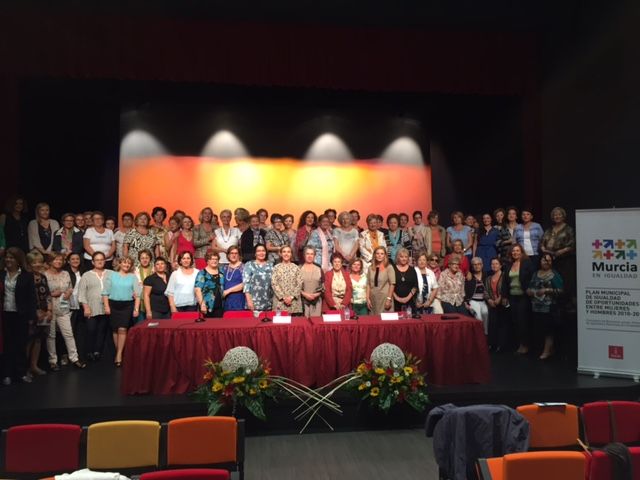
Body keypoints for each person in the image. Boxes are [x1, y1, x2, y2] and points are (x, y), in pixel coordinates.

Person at [1, 248, 38, 385]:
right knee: (7, 345)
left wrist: (31, 317)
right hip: (5, 314)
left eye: (12, 258)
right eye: (7, 257)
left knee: (21, 344)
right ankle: (7, 374)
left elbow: (31, 298)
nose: (8, 260)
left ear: (18, 260)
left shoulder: (26, 276)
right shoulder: (1, 274)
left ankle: (21, 372)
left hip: (21, 314)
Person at [44, 253, 86, 370]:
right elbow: (41, 292)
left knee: (68, 334)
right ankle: (53, 361)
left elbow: (70, 287)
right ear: (50, 261)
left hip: (64, 307)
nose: (58, 262)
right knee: (51, 335)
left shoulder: (65, 273)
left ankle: (74, 358)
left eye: (60, 260)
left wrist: (68, 292)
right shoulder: (45, 275)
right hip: (50, 308)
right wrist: (52, 294)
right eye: (55, 259)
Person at [102, 256, 140, 367]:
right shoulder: (111, 275)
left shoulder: (133, 277)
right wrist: (106, 307)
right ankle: (119, 351)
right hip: (113, 305)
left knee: (122, 329)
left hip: (127, 306)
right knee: (115, 330)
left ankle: (118, 355)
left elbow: (137, 294)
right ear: (119, 263)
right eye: (124, 262)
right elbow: (105, 293)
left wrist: (136, 309)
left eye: (129, 263)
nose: (126, 265)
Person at [527, 253, 564, 360]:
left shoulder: (554, 274)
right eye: (544, 260)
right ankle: (548, 349)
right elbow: (530, 286)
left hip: (549, 306)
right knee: (540, 329)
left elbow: (561, 290)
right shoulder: (535, 273)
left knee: (549, 330)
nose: (546, 262)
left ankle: (546, 351)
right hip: (536, 305)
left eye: (548, 260)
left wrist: (547, 290)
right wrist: (529, 290)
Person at [501, 244, 536, 354]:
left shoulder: (527, 263)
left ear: (521, 252)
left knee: (523, 321)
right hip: (512, 296)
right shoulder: (509, 264)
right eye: (513, 251)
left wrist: (531, 289)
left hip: (523, 296)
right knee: (515, 321)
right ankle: (520, 343)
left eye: (517, 250)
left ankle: (525, 345)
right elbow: (505, 282)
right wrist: (504, 296)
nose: (515, 253)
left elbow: (533, 278)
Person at [78, 252, 111, 362]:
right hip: (91, 307)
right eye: (97, 260)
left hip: (107, 308)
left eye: (102, 259)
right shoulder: (86, 275)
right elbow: (81, 293)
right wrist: (86, 307)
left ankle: (97, 351)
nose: (100, 261)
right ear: (92, 262)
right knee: (91, 330)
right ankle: (89, 351)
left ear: (105, 261)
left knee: (102, 330)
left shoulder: (111, 273)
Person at [540, 207, 575, 307]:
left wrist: (561, 251)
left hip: (564, 261)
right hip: (550, 260)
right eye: (555, 215)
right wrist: (542, 247)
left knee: (564, 283)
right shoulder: (549, 229)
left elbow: (572, 244)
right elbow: (542, 242)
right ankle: (553, 304)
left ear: (563, 216)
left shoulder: (568, 229)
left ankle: (566, 305)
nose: (557, 216)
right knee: (551, 282)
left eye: (559, 214)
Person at [25, 251, 53, 375]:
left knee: (38, 340)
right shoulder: (25, 277)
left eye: (39, 262)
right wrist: (34, 311)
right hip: (31, 313)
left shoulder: (43, 277)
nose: (37, 264)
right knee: (28, 340)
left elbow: (47, 294)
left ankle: (33, 366)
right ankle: (23, 368)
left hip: (44, 313)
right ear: (29, 264)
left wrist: (50, 310)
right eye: (34, 262)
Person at [63, 252, 85, 361]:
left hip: (80, 304)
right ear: (68, 261)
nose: (75, 261)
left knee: (79, 331)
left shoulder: (83, 271)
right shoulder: (65, 272)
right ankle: (65, 354)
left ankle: (78, 354)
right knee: (68, 331)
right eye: (73, 259)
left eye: (77, 259)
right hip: (69, 304)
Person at [271, 245, 303, 314]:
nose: (286, 254)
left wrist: (291, 297)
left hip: (294, 302)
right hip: (280, 302)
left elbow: (299, 283)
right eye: (284, 252)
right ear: (281, 254)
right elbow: (274, 283)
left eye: (288, 252)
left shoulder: (296, 268)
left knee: (295, 324)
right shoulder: (276, 268)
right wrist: (284, 297)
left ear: (291, 254)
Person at [243, 244, 273, 312]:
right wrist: (249, 301)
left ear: (266, 252)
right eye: (258, 251)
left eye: (263, 251)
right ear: (255, 253)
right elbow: (246, 284)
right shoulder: (249, 265)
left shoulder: (270, 265)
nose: (261, 253)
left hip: (268, 302)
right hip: (253, 303)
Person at [485, 258, 506, 352]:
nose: (494, 265)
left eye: (496, 264)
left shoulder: (504, 276)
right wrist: (489, 300)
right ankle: (492, 344)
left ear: (500, 265)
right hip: (492, 304)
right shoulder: (489, 278)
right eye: (492, 264)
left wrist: (500, 298)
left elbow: (506, 289)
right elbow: (485, 291)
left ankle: (501, 345)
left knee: (502, 325)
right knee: (492, 325)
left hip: (502, 304)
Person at [195, 252, 225, 318]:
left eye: (216, 259)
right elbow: (197, 289)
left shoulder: (222, 272)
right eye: (212, 259)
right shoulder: (202, 273)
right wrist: (202, 304)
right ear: (207, 260)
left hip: (220, 306)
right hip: (206, 306)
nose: (214, 261)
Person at [367, 246, 395, 315]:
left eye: (382, 254)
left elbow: (392, 284)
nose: (379, 255)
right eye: (377, 253)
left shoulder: (389, 267)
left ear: (385, 255)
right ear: (374, 255)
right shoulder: (370, 268)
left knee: (385, 323)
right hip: (373, 299)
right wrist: (367, 299)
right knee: (373, 322)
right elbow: (368, 284)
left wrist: (389, 299)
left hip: (385, 299)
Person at [465, 257, 489, 333]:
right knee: (478, 317)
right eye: (474, 264)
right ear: (472, 266)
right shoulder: (469, 277)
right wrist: (465, 302)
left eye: (479, 264)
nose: (477, 266)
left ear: (482, 265)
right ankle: (479, 336)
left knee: (485, 313)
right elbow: (464, 290)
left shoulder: (487, 276)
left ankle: (485, 334)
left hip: (484, 301)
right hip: (473, 301)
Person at [300, 246, 324, 317]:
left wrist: (315, 295)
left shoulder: (319, 269)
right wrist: (305, 294)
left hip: (316, 302)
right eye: (307, 254)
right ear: (304, 255)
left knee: (316, 325)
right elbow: (295, 286)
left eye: (312, 254)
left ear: (314, 256)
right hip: (302, 302)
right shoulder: (298, 268)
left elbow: (323, 285)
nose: (309, 256)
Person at [392, 248, 418, 313]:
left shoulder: (412, 270)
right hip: (395, 302)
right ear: (398, 257)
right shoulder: (392, 269)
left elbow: (415, 286)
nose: (404, 259)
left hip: (410, 301)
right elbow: (390, 285)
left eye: (406, 257)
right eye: (401, 257)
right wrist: (397, 298)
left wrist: (407, 298)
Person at [222, 246, 245, 311]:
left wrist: (228, 291)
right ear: (228, 255)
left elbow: (245, 284)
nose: (234, 255)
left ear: (239, 255)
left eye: (236, 253)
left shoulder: (243, 267)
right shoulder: (224, 268)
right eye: (232, 253)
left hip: (239, 299)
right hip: (226, 300)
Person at [133, 249, 154, 323]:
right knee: (140, 324)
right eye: (142, 258)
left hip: (152, 301)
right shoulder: (135, 270)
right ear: (139, 259)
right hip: (138, 301)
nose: (144, 260)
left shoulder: (154, 270)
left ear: (150, 259)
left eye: (147, 258)